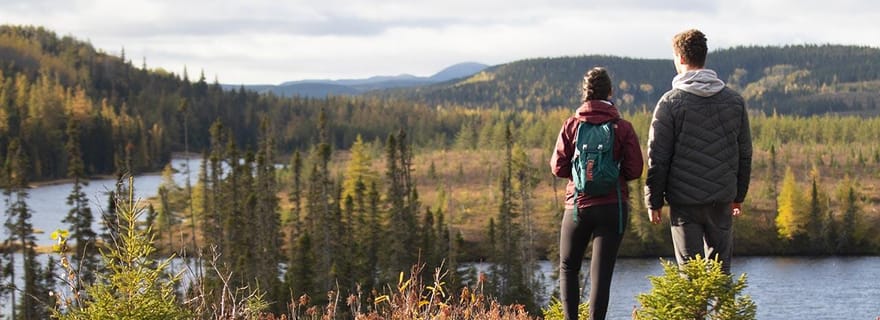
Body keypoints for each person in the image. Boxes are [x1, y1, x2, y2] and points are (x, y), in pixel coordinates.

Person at [644, 29, 752, 274]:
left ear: (680, 59)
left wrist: (654, 200)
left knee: (690, 278)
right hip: (722, 199)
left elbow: (657, 158)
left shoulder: (669, 103)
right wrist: (738, 196)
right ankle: (724, 313)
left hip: (684, 204)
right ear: (704, 57)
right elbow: (745, 153)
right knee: (720, 275)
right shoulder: (734, 101)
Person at [551, 67, 644, 320]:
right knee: (601, 274)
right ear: (610, 92)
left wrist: (580, 173)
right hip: (612, 207)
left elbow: (558, 167)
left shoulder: (571, 125)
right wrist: (614, 173)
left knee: (569, 267)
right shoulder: (622, 127)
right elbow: (635, 169)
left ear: (585, 94)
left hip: (577, 207)